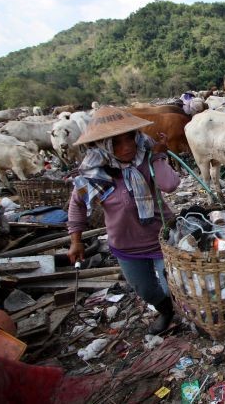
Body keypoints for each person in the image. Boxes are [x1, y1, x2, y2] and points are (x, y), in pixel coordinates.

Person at [67, 107, 181, 335]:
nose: (128, 146)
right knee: (146, 289)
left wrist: (157, 156)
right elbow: (77, 206)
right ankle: (166, 311)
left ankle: (185, 310)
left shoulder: (146, 158)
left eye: (131, 138)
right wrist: (76, 241)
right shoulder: (91, 176)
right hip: (126, 246)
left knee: (176, 286)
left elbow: (169, 185)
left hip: (163, 240)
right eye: (117, 142)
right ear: (102, 145)